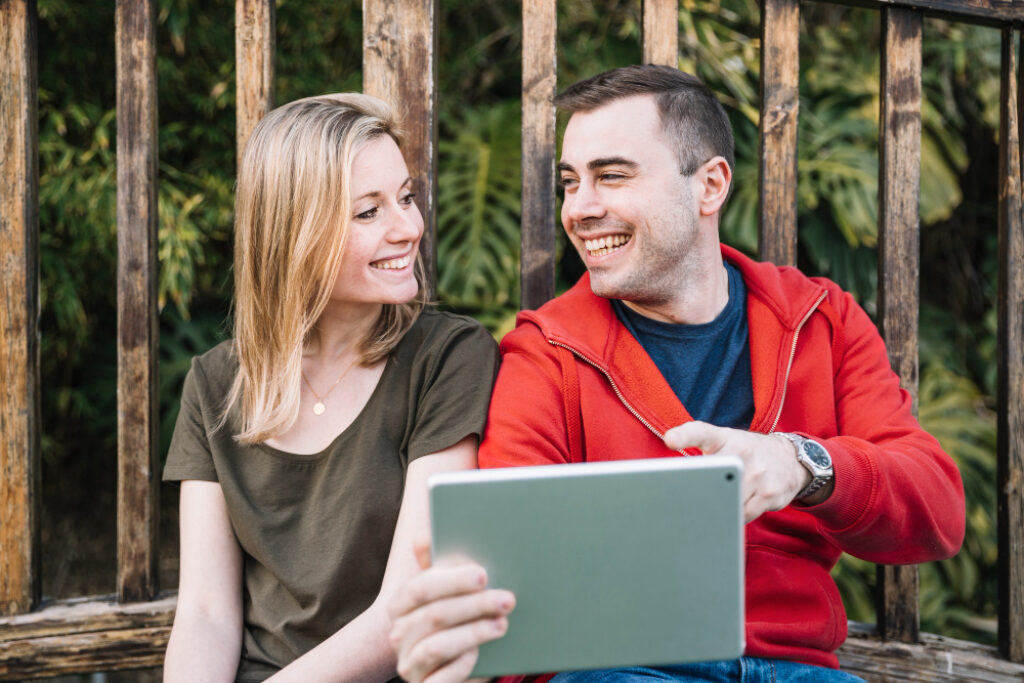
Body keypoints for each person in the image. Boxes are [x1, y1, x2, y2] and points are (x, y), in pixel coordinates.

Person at [387, 65, 966, 683]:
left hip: (800, 669)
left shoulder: (821, 319)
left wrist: (802, 465)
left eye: (611, 176)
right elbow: (512, 583)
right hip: (618, 668)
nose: (579, 209)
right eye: (570, 182)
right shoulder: (545, 352)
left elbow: (937, 513)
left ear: (710, 186)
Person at [161, 93, 499, 682]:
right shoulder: (213, 385)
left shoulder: (448, 359)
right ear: (296, 233)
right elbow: (206, 613)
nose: (409, 228)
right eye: (368, 213)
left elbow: (405, 609)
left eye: (406, 198)